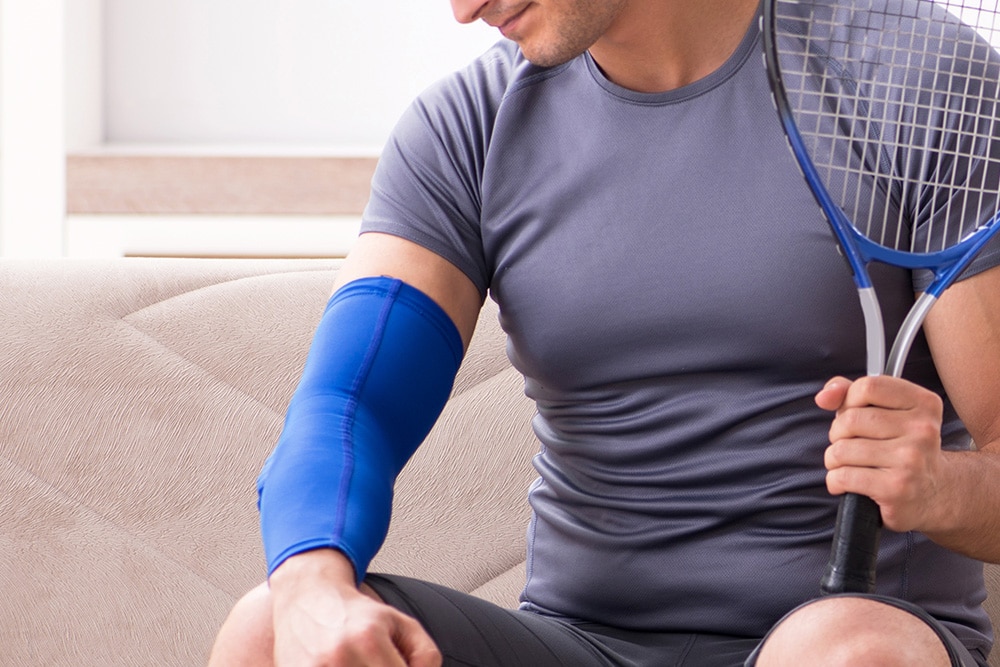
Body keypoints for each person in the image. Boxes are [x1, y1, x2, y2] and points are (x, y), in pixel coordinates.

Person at [209, 1, 1000, 665]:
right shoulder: (470, 126)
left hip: (849, 634)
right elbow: (349, 403)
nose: (462, 8)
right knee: (268, 628)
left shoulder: (916, 80)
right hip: (578, 641)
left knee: (847, 652)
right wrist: (311, 584)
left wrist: (942, 486)